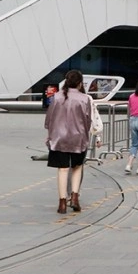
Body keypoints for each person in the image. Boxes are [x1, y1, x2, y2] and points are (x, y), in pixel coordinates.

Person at [45, 70, 92, 214]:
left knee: (62, 169)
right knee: (77, 167)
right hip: (78, 138)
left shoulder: (57, 97)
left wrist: (50, 134)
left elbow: (49, 120)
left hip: (59, 138)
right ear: (80, 83)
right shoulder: (85, 99)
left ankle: (62, 203)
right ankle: (75, 197)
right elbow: (87, 121)